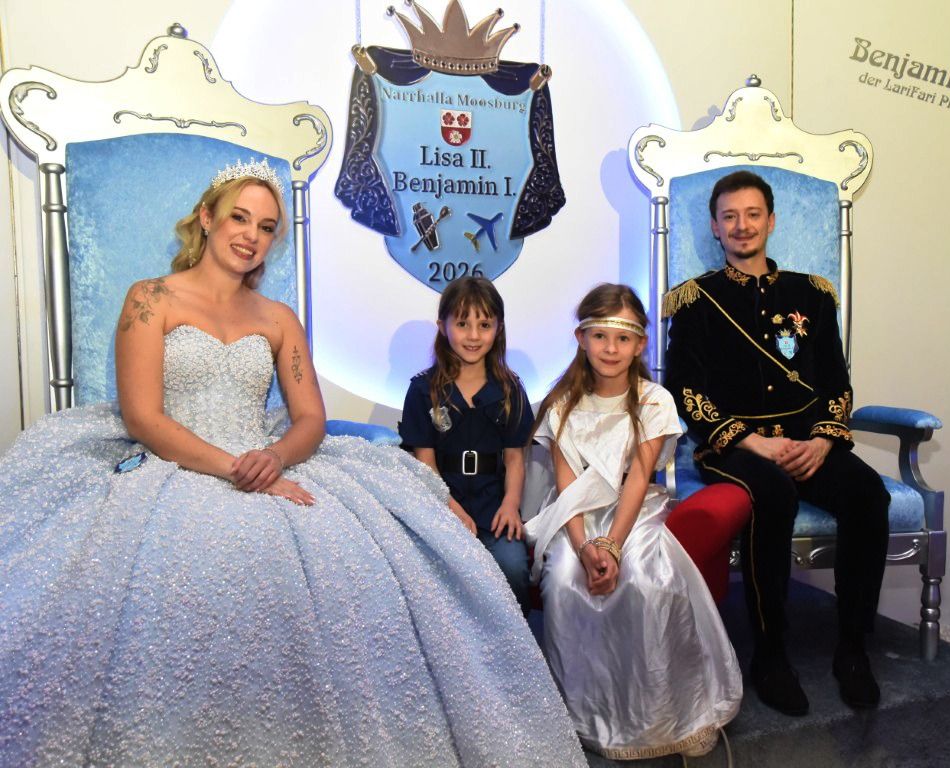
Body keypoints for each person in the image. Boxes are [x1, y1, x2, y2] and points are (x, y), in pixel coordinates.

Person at [0, 160, 587, 767]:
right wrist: (236, 468)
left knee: (361, 563)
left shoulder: (277, 318)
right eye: (239, 218)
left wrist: (275, 457)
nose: (251, 235)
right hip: (172, 466)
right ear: (207, 218)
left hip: (267, 460)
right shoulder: (150, 299)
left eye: (266, 227)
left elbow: (309, 418)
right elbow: (144, 417)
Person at [664, 170, 891, 716]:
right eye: (729, 217)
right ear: (715, 227)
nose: (741, 226)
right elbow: (686, 390)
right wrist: (752, 442)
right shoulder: (696, 301)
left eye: (752, 214)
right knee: (774, 493)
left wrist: (823, 441)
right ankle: (770, 655)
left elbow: (836, 382)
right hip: (735, 448)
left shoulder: (812, 295)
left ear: (771, 221)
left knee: (868, 494)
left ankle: (853, 651)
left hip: (807, 441)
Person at [525, 284, 742, 760]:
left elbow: (640, 477)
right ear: (581, 339)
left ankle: (659, 715)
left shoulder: (653, 400)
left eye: (622, 338)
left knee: (645, 580)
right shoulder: (561, 403)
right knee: (564, 581)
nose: (611, 348)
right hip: (576, 516)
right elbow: (566, 485)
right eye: (600, 336)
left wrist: (613, 546)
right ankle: (585, 715)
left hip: (633, 512)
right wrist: (585, 548)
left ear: (640, 344)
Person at [399, 276, 533, 614]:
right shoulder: (423, 390)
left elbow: (515, 459)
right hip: (441, 505)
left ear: (498, 329)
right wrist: (452, 509)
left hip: (494, 509)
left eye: (484, 325)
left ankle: (514, 642)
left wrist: (511, 505)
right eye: (462, 324)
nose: (473, 336)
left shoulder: (511, 390)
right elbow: (425, 463)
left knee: (513, 568)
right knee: (433, 578)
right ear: (443, 327)